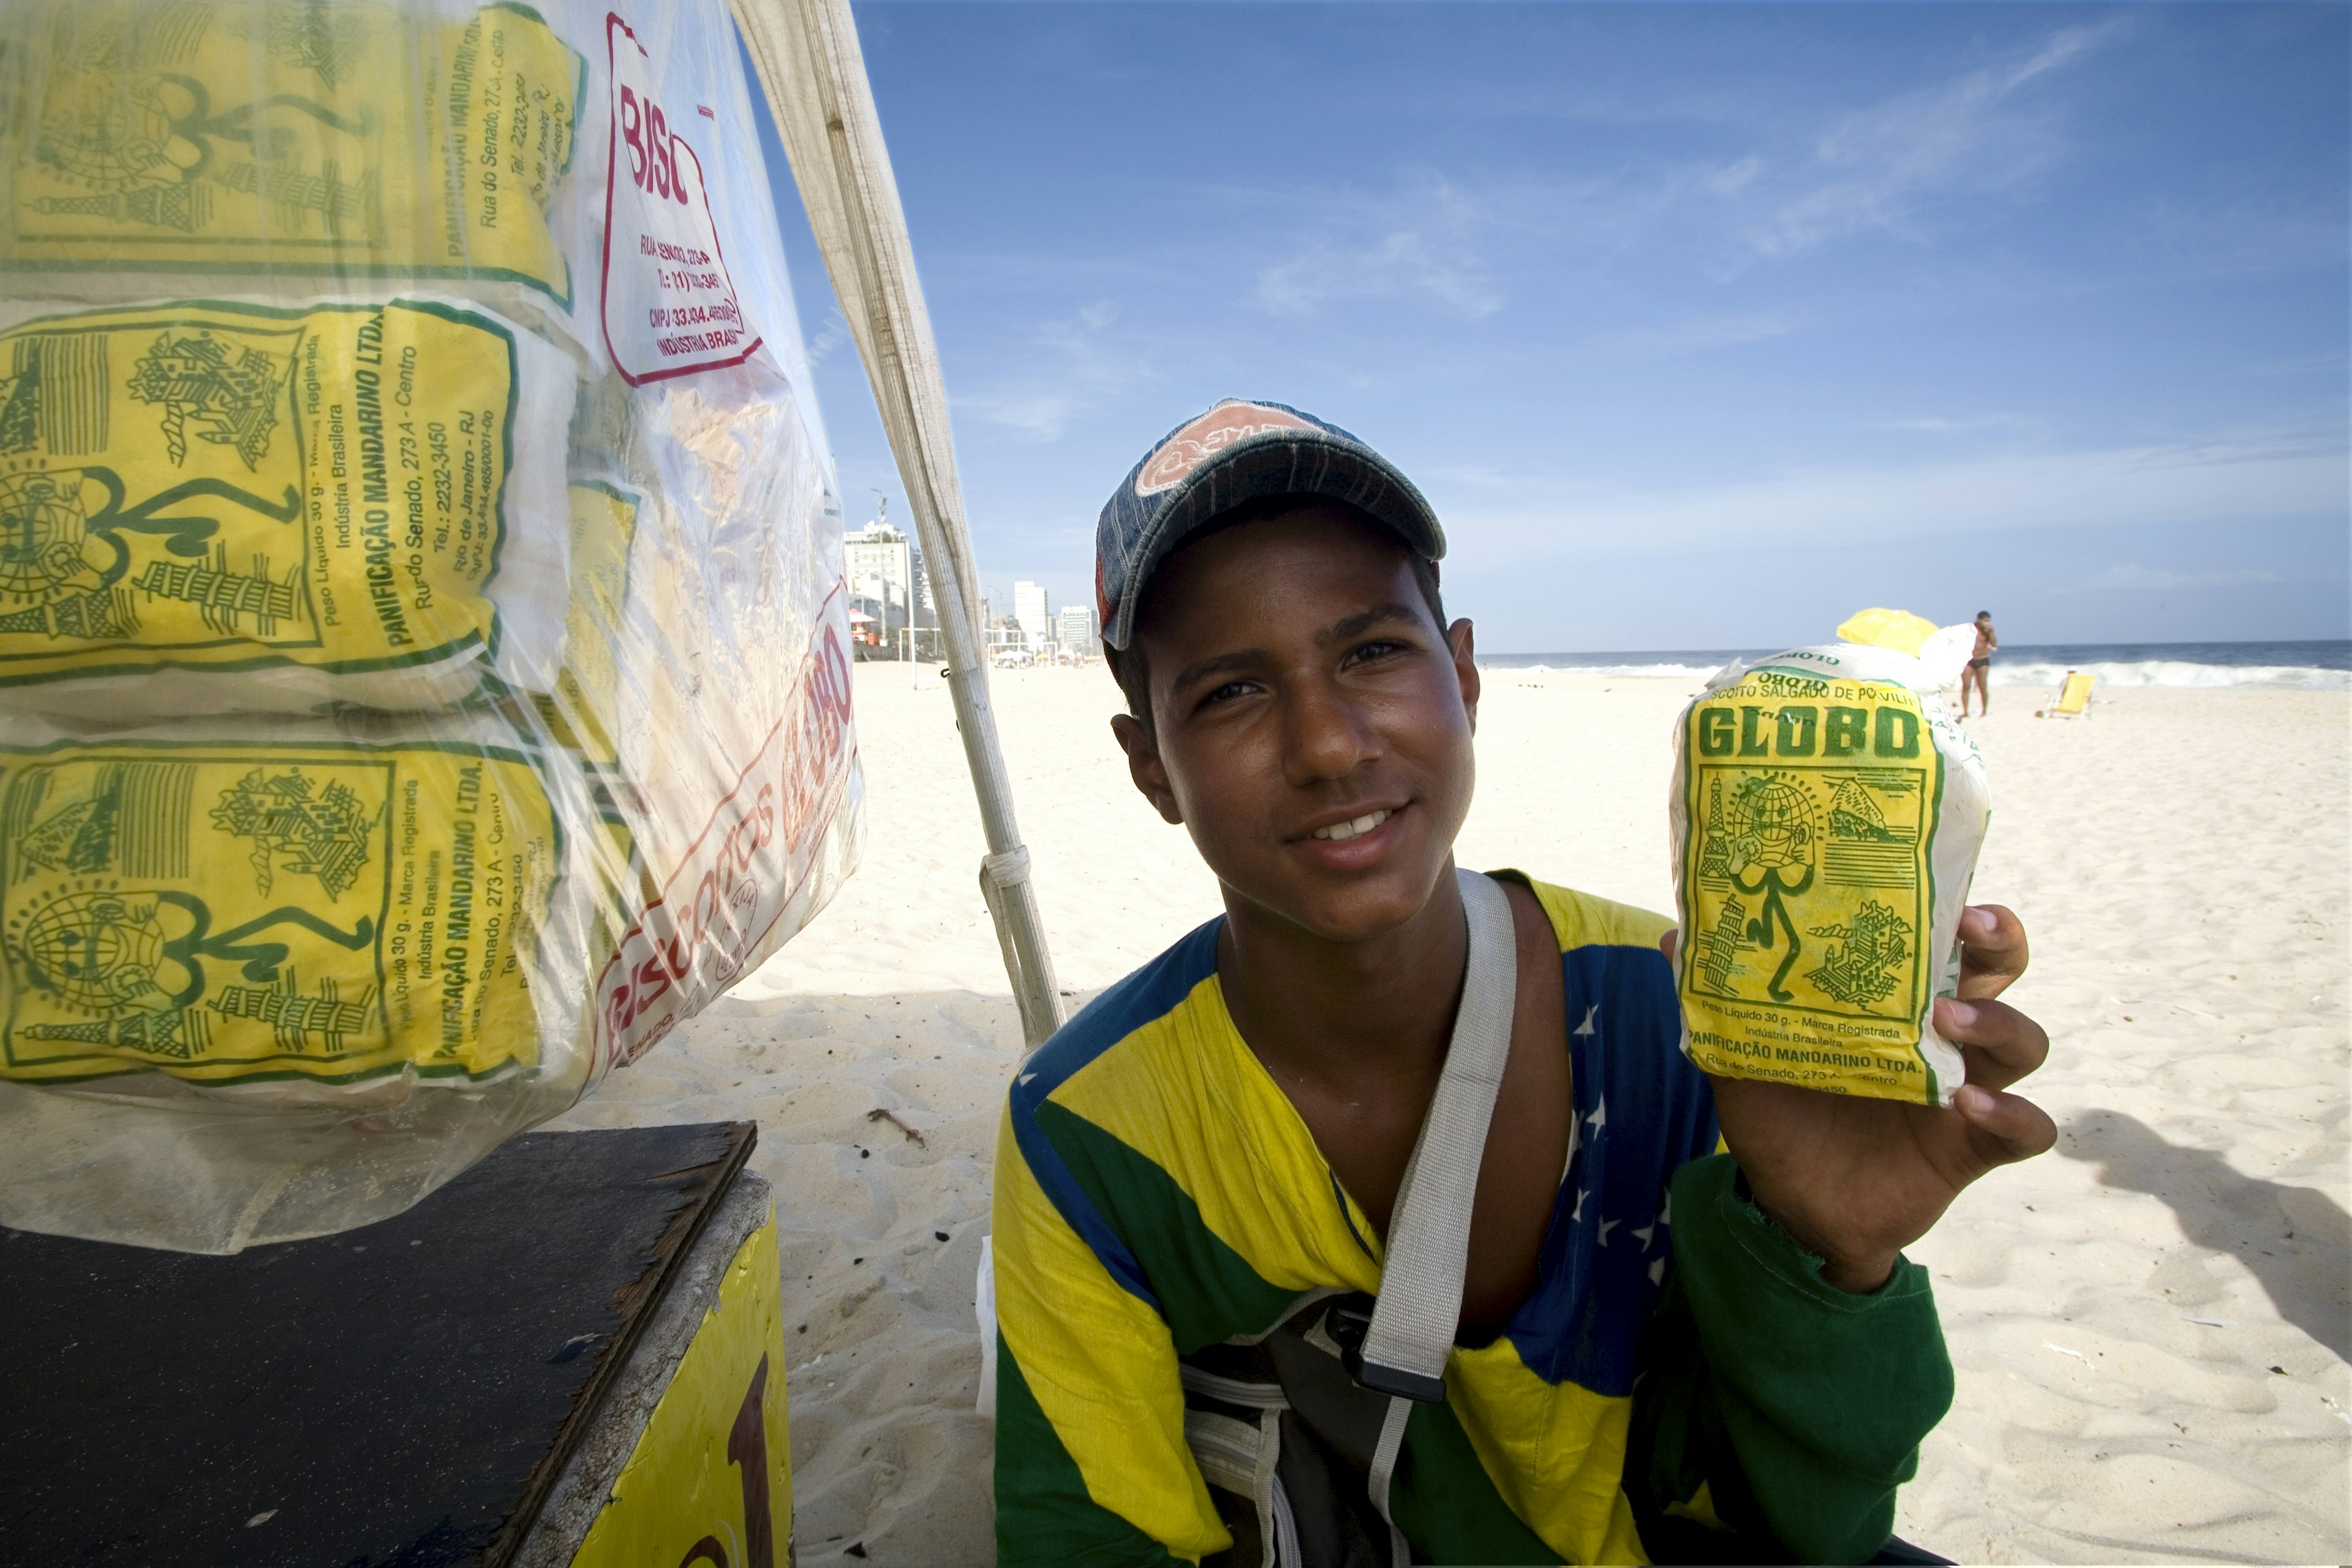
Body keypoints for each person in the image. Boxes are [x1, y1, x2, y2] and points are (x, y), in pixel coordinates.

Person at [990, 400, 2056, 1566]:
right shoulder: (1088, 1132)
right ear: (1151, 764)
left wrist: (1832, 1262)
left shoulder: (1688, 1017)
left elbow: (1806, 1527)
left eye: (1372, 652)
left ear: (1464, 675)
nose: (1330, 744)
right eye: (1233, 692)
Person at [1961, 611, 1997, 717]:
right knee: (1966, 686)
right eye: (1985, 621)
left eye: (1988, 621)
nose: (1987, 624)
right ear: (1979, 620)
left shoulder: (1987, 631)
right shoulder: (1971, 629)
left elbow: (1994, 643)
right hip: (1969, 660)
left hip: (1983, 659)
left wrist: (1991, 632)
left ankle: (1985, 710)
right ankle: (1965, 712)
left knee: (1983, 686)